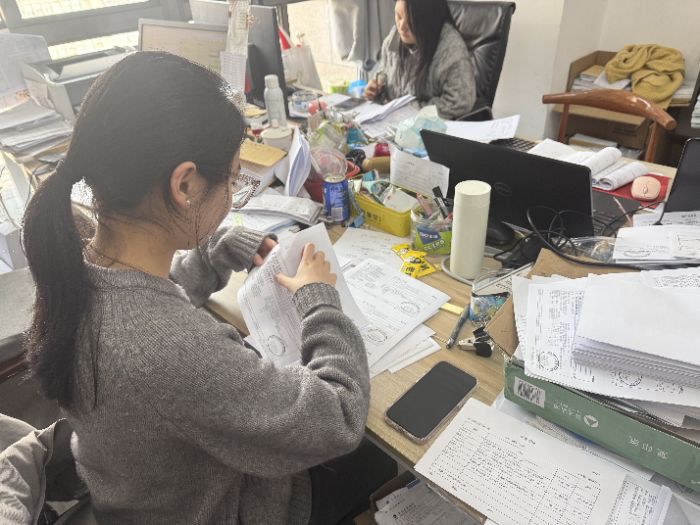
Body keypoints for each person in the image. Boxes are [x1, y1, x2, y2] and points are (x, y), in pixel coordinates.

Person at [22, 51, 394, 525]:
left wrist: (210, 256)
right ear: (185, 184)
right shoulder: (175, 349)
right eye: (234, 179)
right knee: (378, 457)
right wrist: (318, 299)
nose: (232, 195)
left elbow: (145, 305)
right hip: (228, 509)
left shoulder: (73, 266)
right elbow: (338, 417)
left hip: (144, 499)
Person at [364, 0, 477, 120]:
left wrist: (410, 110)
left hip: (429, 126)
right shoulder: (393, 39)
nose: (401, 27)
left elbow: (460, 102)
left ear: (427, 19)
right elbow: (385, 74)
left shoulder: (451, 49)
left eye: (410, 21)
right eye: (398, 16)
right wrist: (376, 90)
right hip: (393, 122)